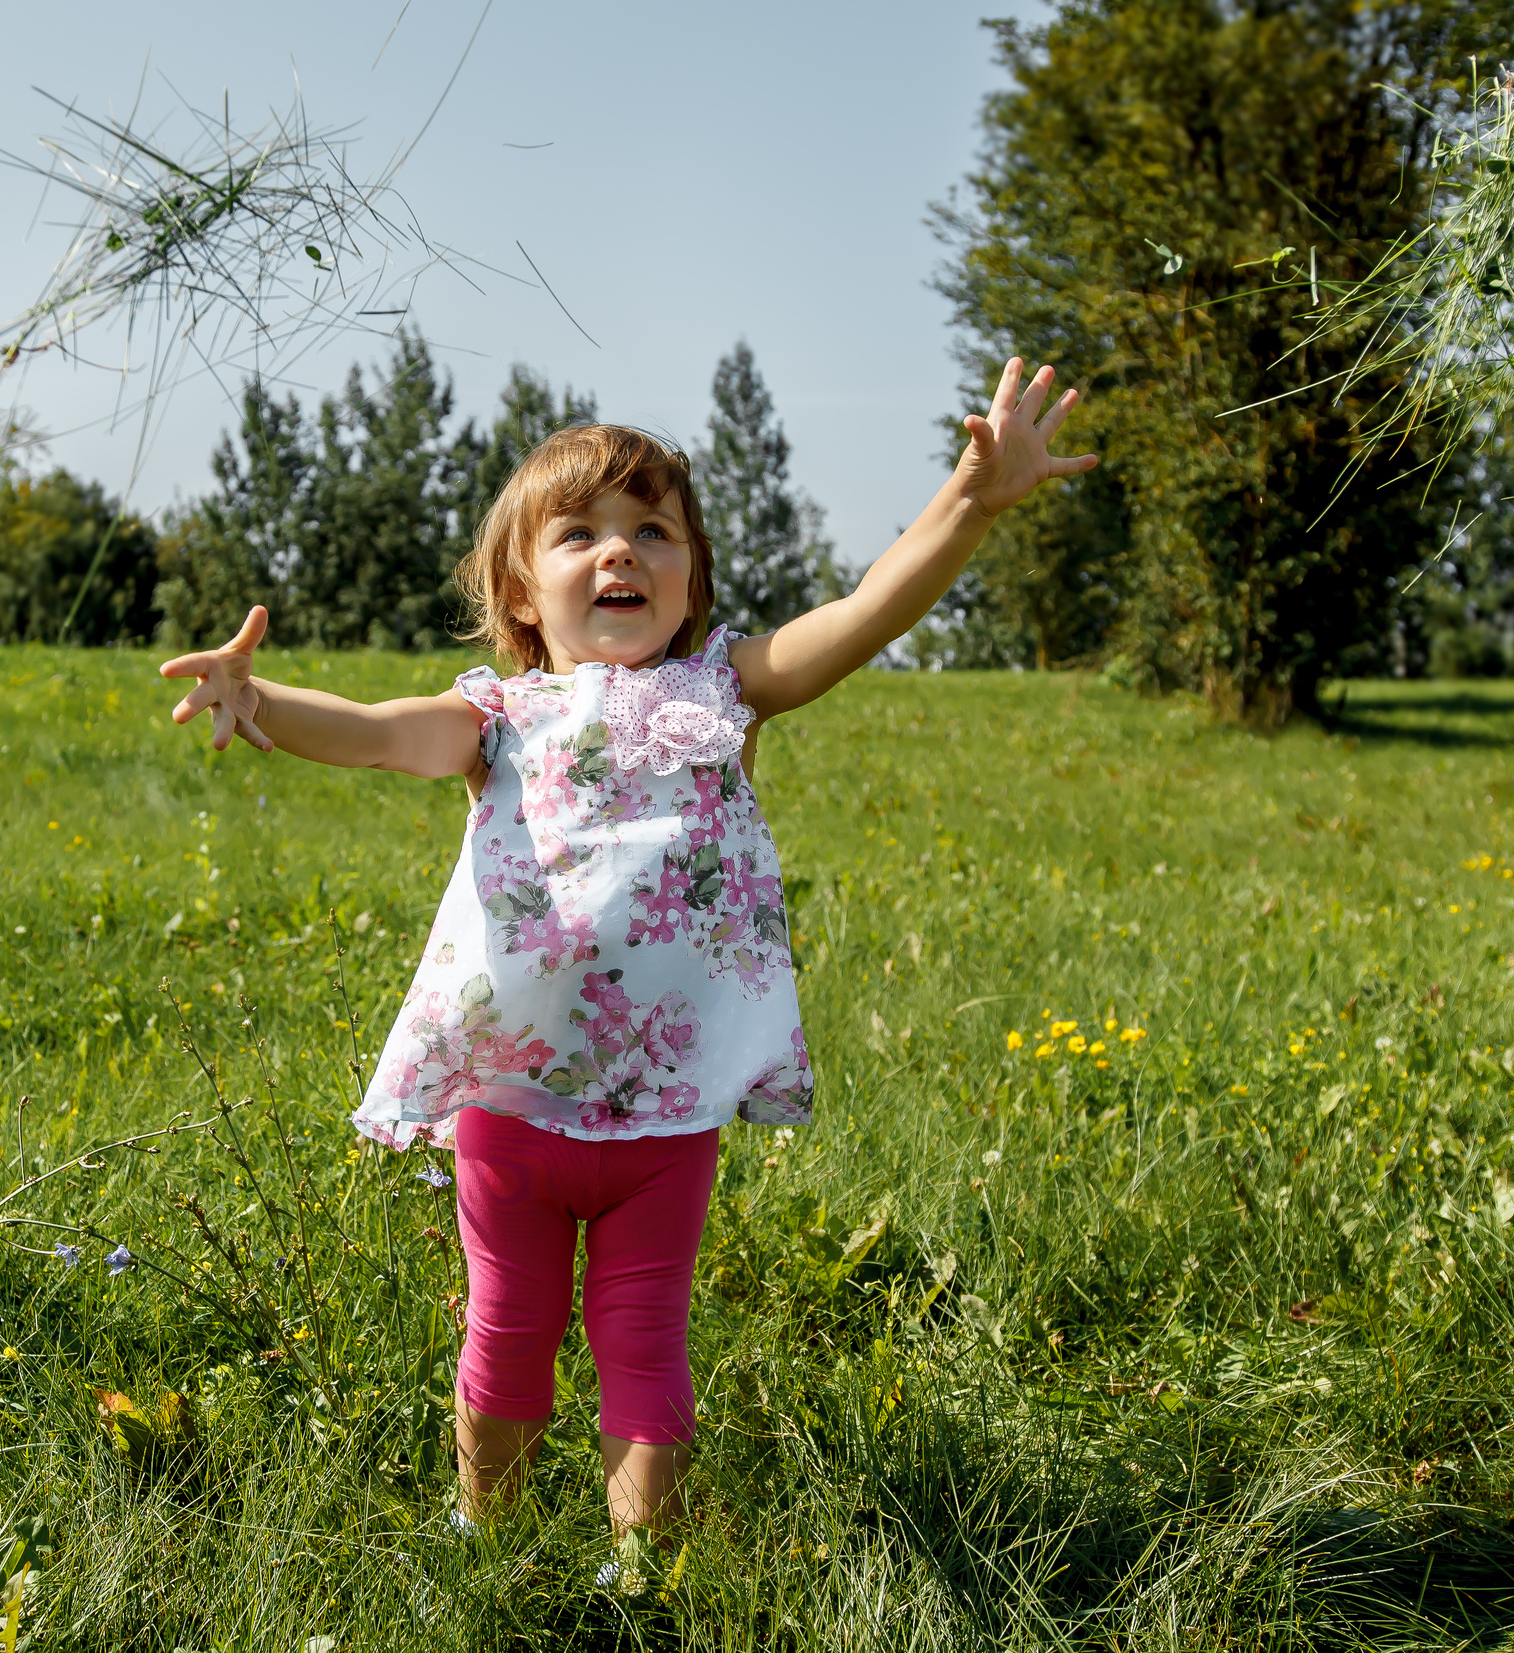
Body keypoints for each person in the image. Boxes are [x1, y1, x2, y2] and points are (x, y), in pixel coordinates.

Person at [158, 358, 1096, 1577]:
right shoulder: (495, 718)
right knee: (507, 1325)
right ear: (519, 588)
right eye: (580, 533)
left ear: (692, 577)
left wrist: (970, 499)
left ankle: (640, 1571)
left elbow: (864, 611)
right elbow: (378, 734)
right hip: (512, 1099)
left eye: (653, 531)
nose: (621, 552)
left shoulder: (727, 694)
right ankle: (481, 1538)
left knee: (644, 1336)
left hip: (667, 1110)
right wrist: (263, 700)